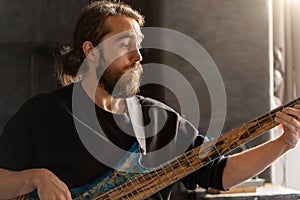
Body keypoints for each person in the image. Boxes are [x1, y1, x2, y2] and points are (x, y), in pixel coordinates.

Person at [1, 1, 300, 200]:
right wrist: (35, 178)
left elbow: (221, 173)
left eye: (139, 44)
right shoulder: (42, 114)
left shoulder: (158, 120)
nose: (138, 56)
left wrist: (283, 143)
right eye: (124, 44)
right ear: (91, 50)